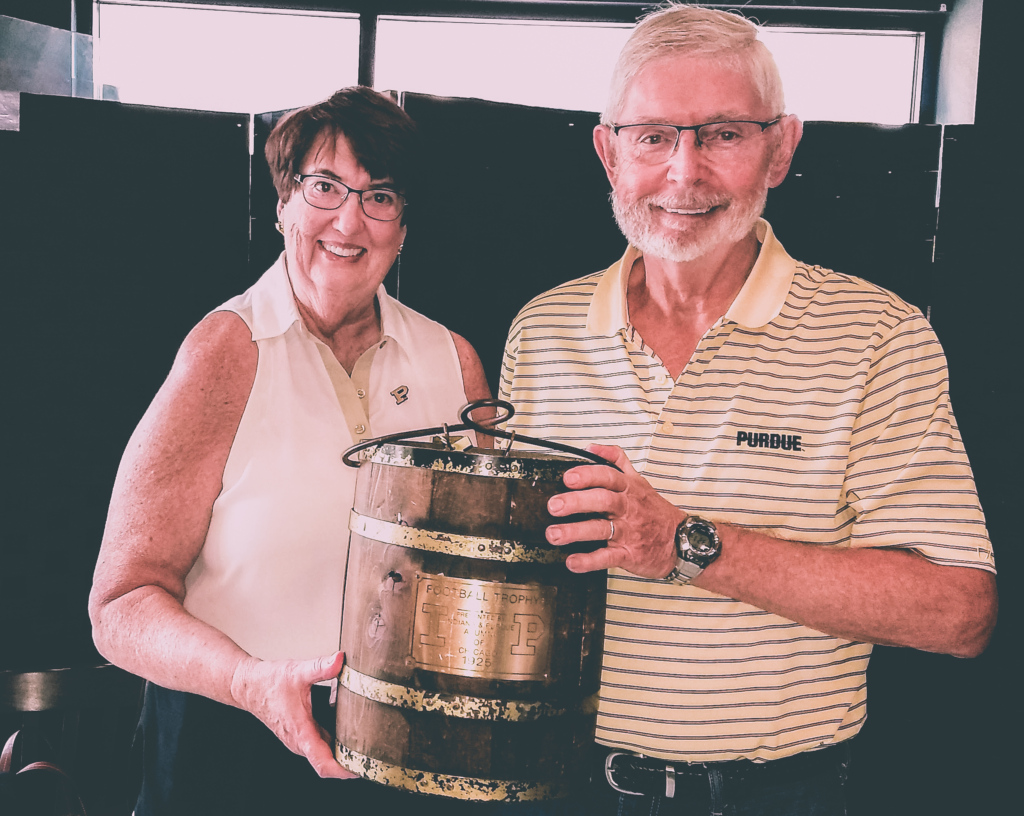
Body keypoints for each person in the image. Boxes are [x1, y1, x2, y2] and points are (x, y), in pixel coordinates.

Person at [498, 6, 997, 816]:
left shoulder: (879, 337)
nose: (683, 173)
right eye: (652, 135)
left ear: (783, 148)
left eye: (724, 133)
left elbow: (958, 612)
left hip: (779, 796)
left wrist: (685, 546)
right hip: (562, 783)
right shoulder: (541, 330)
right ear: (608, 152)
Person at [88, 86, 491, 815]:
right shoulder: (225, 351)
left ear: (403, 226)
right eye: (325, 187)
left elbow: (490, 574)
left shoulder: (454, 361)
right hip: (236, 746)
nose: (349, 220)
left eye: (380, 197)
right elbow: (120, 606)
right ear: (283, 204)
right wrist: (249, 683)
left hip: (413, 756)